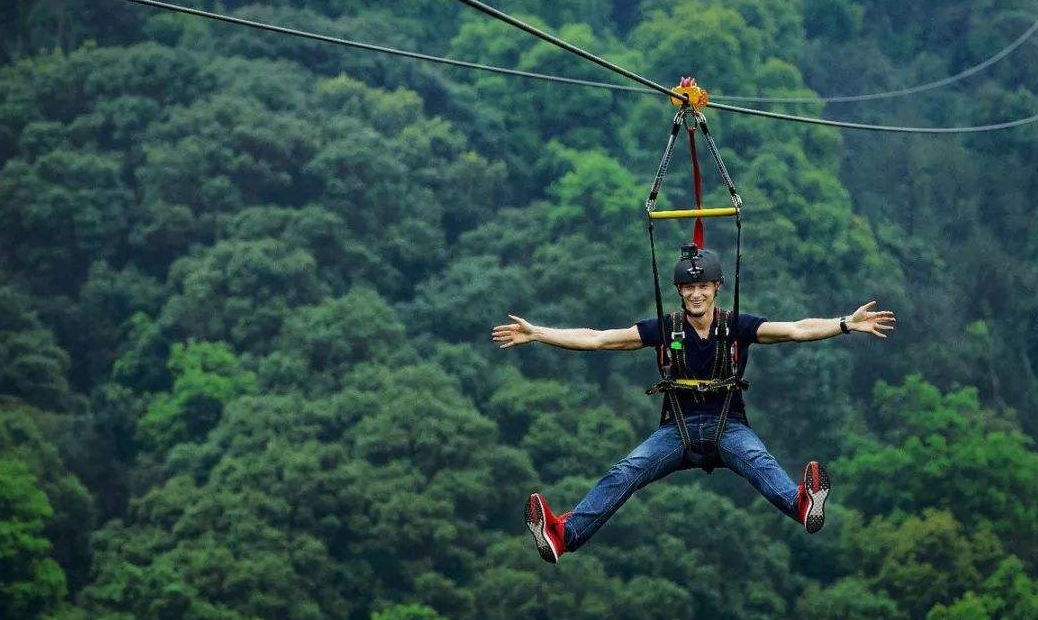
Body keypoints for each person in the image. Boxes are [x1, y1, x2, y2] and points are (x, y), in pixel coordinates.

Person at [491, 244, 896, 564]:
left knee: (760, 463)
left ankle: (803, 505)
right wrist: (538, 333)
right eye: (689, 288)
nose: (697, 293)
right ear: (681, 292)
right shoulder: (665, 329)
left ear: (716, 288)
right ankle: (564, 535)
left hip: (728, 426)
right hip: (677, 431)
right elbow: (598, 338)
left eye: (704, 287)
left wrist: (844, 324)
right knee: (626, 471)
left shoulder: (736, 324)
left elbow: (794, 329)